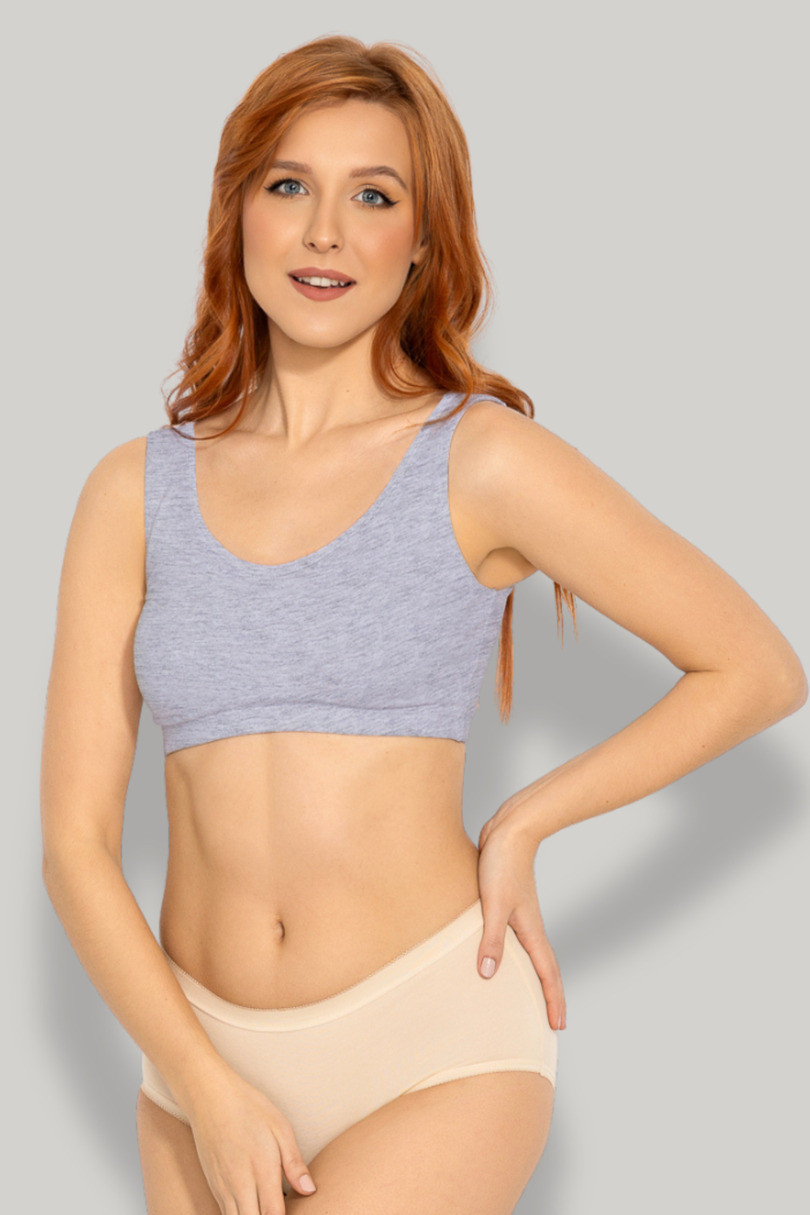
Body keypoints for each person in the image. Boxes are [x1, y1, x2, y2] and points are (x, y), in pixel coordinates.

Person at [40, 33, 806, 1215]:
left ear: (424, 240)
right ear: (236, 214)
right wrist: (203, 1082)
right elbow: (77, 845)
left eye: (373, 196)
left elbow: (754, 667)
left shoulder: (481, 459)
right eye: (288, 185)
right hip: (195, 1058)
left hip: (432, 1044)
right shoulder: (129, 492)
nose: (324, 232)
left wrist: (526, 821)